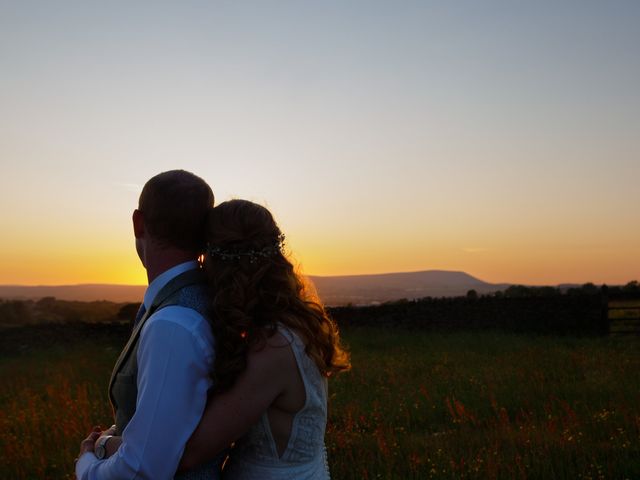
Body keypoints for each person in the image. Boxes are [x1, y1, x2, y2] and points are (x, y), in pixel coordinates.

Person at [178, 199, 351, 479]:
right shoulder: (291, 326)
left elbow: (190, 453)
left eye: (202, 256)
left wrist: (110, 445)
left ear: (215, 260)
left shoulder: (274, 348)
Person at [75, 170, 223, 479]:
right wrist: (110, 439)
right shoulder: (197, 300)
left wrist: (87, 464)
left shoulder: (173, 325)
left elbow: (143, 468)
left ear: (138, 223)